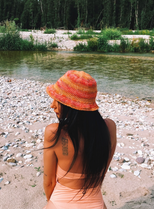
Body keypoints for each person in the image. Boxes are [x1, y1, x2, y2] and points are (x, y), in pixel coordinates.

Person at [43, 70, 116, 209]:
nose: (52, 105)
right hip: (95, 202)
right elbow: (102, 172)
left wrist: (51, 204)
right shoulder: (109, 128)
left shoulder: (54, 133)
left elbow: (49, 183)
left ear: (70, 105)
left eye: (57, 100)